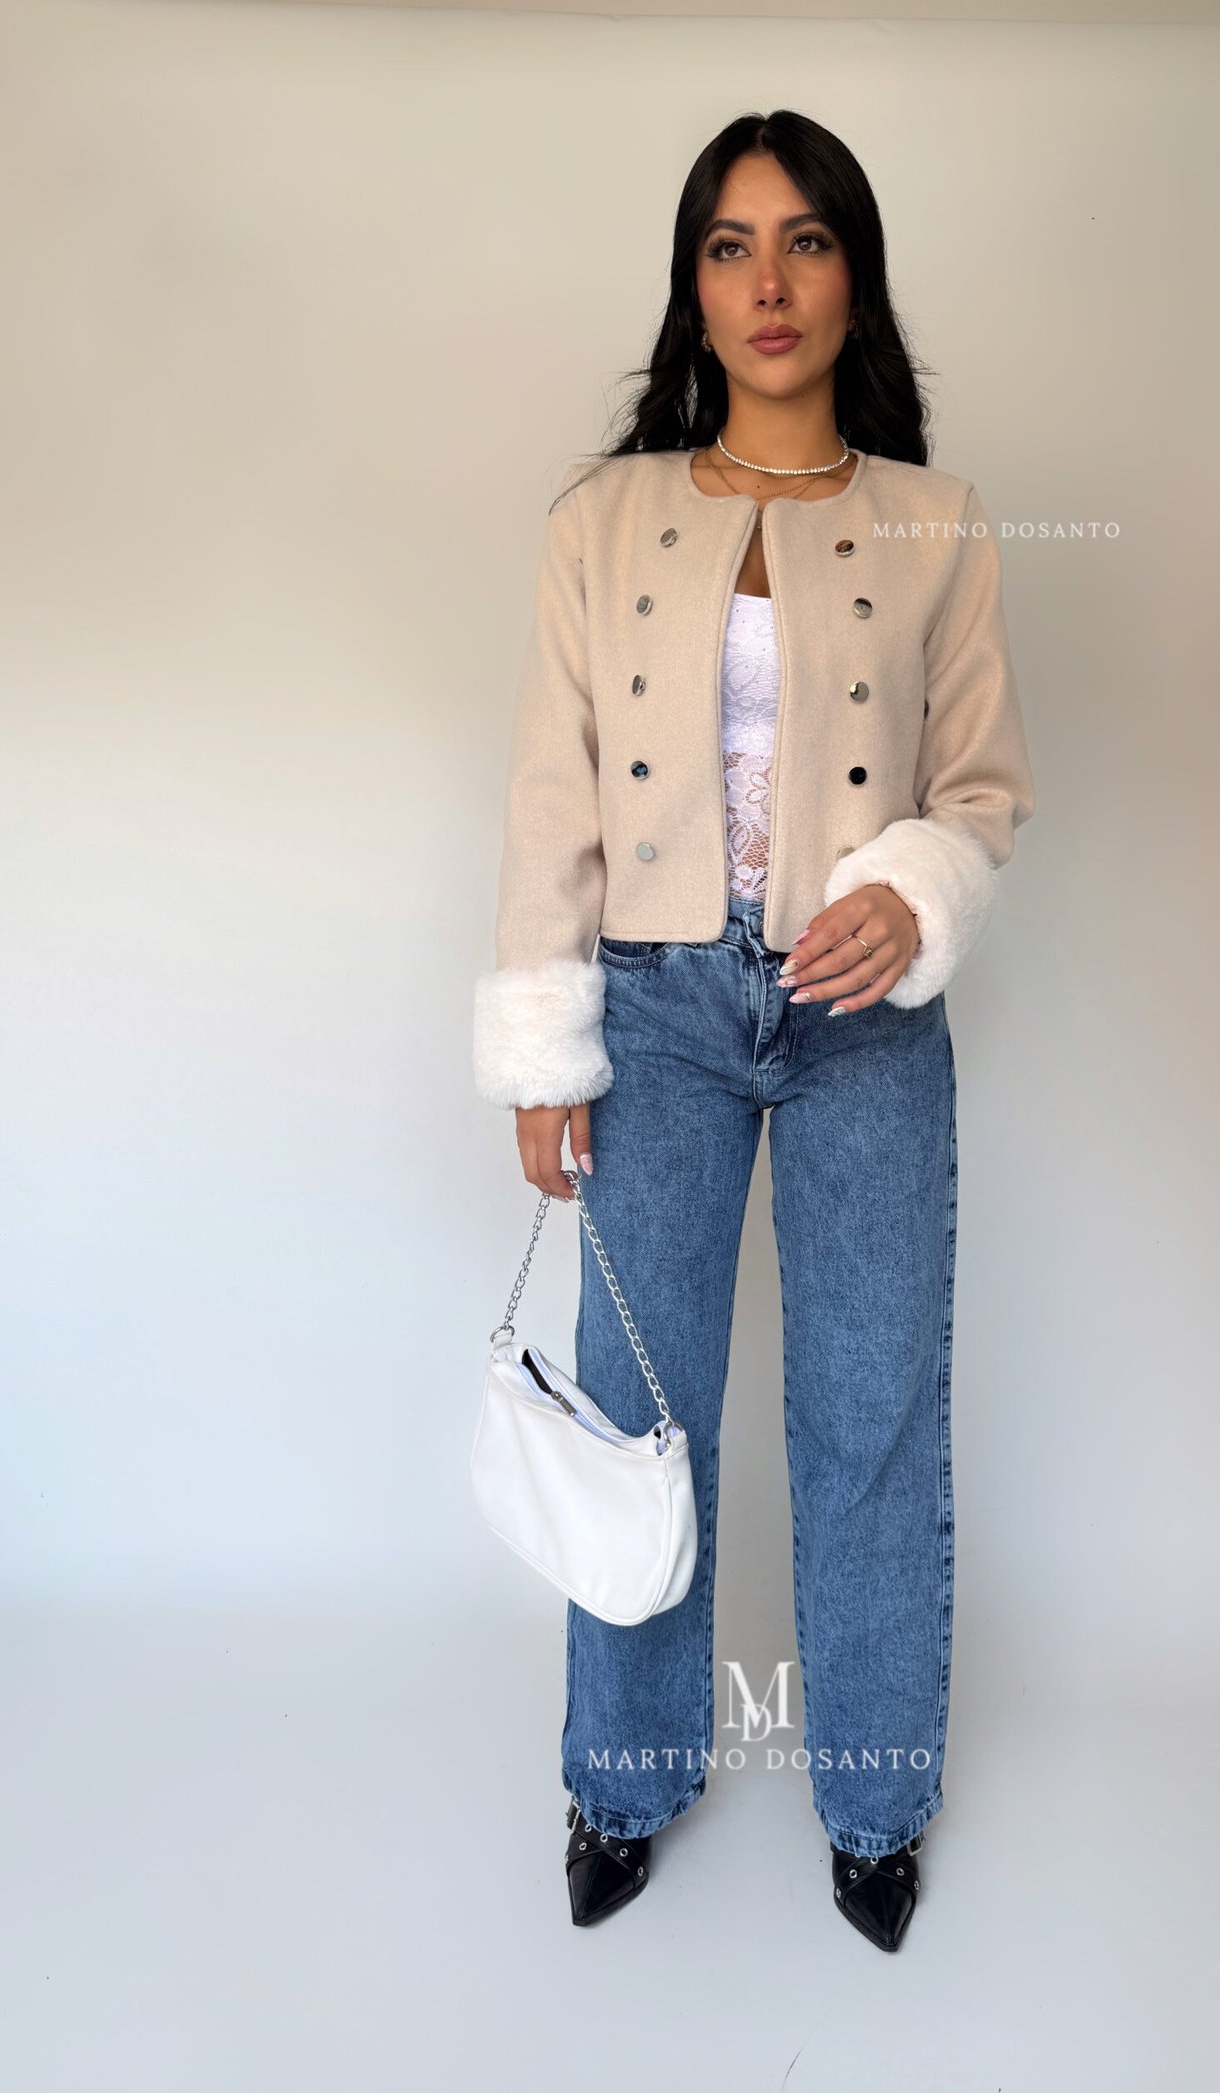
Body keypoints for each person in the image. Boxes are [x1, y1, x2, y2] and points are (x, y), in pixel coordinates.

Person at [474, 109, 1035, 1952]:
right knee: (641, 1405)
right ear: (694, 285)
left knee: (872, 1406)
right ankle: (624, 1778)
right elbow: (549, 788)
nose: (769, 282)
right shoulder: (600, 518)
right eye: (731, 245)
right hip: (655, 1008)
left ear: (854, 274)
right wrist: (545, 1039)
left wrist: (920, 892)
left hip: (859, 1005)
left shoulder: (939, 522)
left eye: (805, 241)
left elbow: (983, 786)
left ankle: (871, 1795)